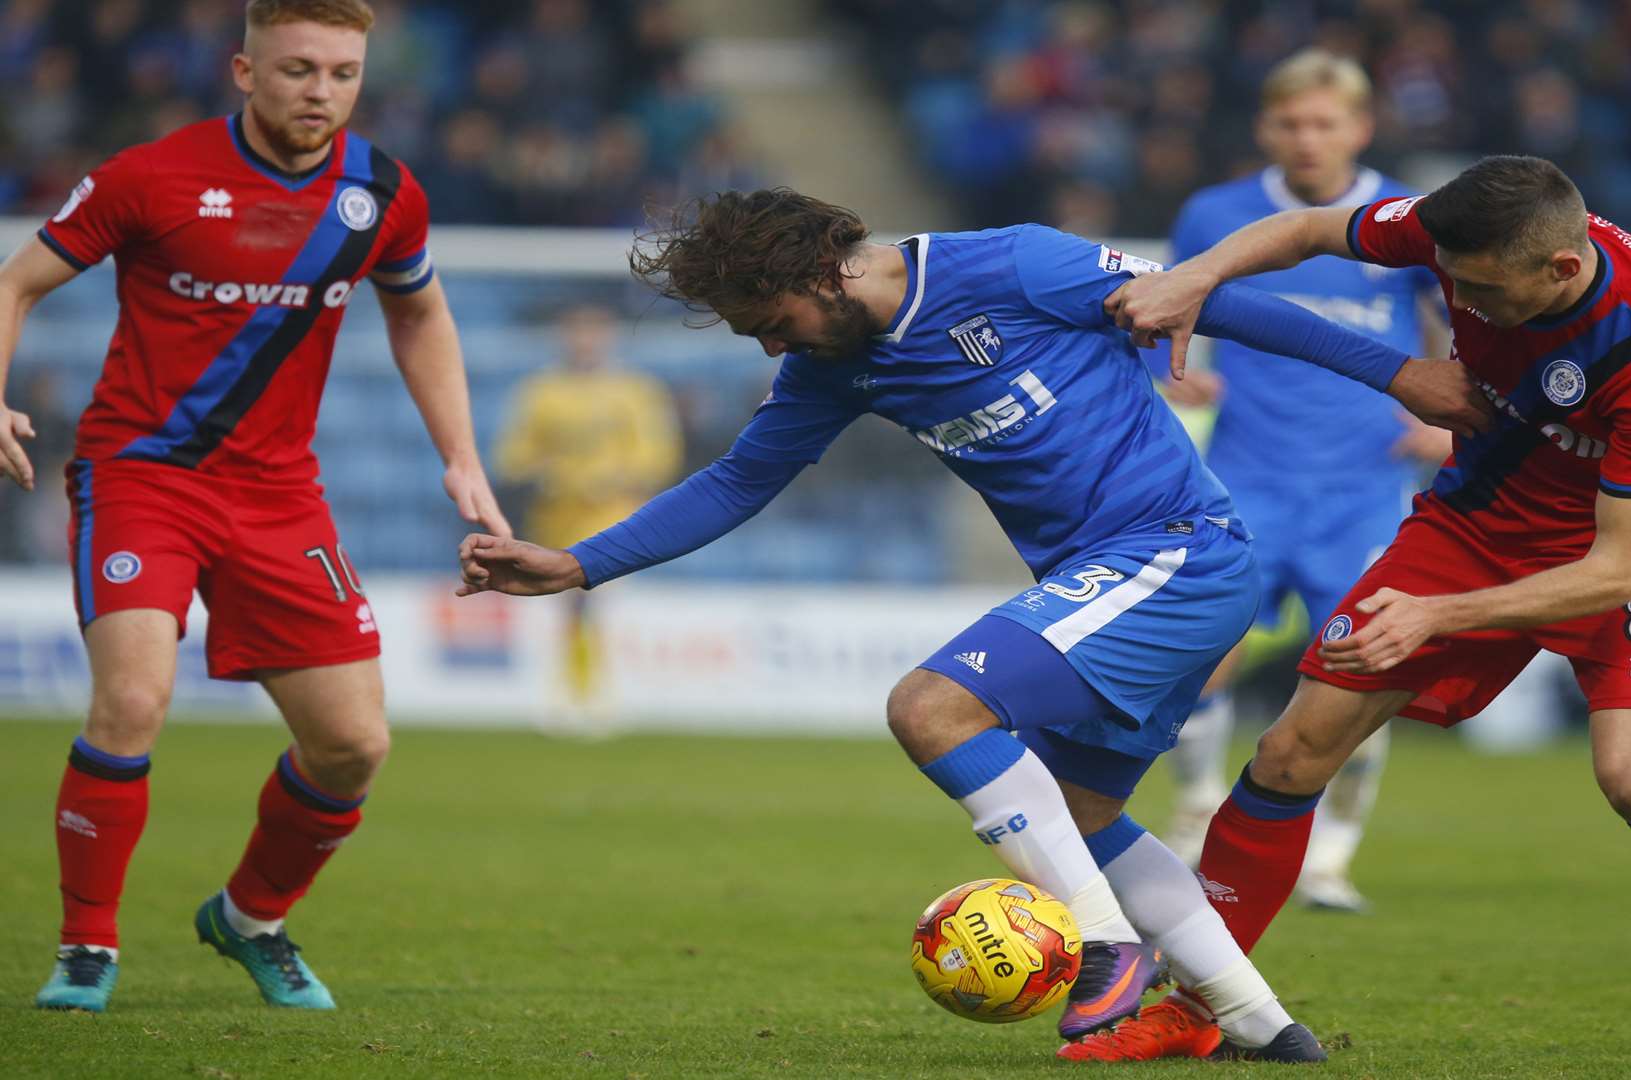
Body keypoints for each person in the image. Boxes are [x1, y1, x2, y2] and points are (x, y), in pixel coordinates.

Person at [455, 187, 1488, 1060]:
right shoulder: (831, 368)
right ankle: (1261, 1024)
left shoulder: (1016, 268)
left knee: (929, 708)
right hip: (1121, 580)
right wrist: (581, 563)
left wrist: (1399, 374)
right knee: (1079, 817)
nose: (771, 344)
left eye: (770, 317)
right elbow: (737, 482)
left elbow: (1217, 302)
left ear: (826, 273)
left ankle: (1102, 945)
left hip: (1176, 551)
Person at [1094, 155, 1631, 1073]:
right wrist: (1198, 273)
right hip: (1471, 524)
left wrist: (1435, 617)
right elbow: (1307, 229)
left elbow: (1617, 570)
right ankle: (1198, 1003)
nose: (1460, 301)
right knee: (1290, 752)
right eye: (1450, 276)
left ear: (1560, 270)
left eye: (1479, 289)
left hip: (1608, 550)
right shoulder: (1461, 226)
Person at [0, 0, 510, 1013]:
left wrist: (461, 457)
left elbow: (420, 312)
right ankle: (86, 949)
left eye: (343, 73)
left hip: (279, 495)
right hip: (141, 473)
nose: (321, 92)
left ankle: (248, 919)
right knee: (134, 700)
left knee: (354, 747)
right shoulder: (153, 175)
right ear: (243, 71)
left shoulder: (380, 191)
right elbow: (15, 283)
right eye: (297, 70)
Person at [1152, 50, 1452, 907]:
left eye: (1325, 123)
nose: (1307, 138)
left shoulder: (1408, 219)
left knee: (1361, 671)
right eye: (1291, 122)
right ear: (1265, 128)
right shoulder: (1215, 212)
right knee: (1201, 650)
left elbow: (1461, 317)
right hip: (1244, 474)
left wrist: (1445, 414)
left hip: (1361, 484)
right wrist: (1169, 374)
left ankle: (1329, 855)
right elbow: (1165, 311)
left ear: (1359, 128)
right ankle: (1196, 811)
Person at [495, 304, 684, 727]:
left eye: (593, 332)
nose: (584, 341)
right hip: (556, 516)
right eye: (576, 332)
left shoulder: (634, 390)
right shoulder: (541, 391)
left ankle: (601, 692)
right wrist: (544, 475)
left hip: (614, 516)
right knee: (565, 608)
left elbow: (657, 453)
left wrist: (617, 477)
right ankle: (567, 692)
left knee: (599, 604)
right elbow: (514, 455)